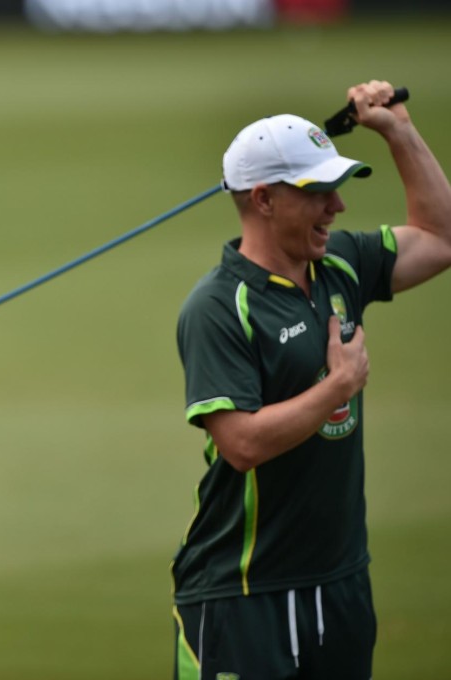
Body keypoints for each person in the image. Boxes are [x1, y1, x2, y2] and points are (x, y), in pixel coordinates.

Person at [171, 80, 451, 679]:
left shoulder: (340, 266)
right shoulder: (220, 307)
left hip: (343, 582)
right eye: (318, 192)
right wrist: (337, 387)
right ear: (265, 199)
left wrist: (398, 131)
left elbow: (439, 237)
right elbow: (241, 444)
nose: (338, 207)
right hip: (243, 594)